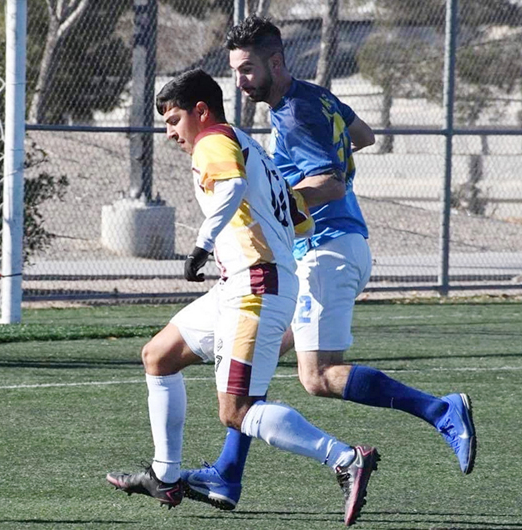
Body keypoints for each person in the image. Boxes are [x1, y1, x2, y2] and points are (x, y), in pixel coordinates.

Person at [180, 16, 476, 511]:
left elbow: (332, 183)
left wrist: (278, 203)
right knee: (260, 357)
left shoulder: (293, 115)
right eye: (234, 71)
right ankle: (227, 475)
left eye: (248, 69)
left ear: (276, 62)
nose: (240, 81)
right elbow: (362, 136)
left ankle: (441, 410)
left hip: (326, 249)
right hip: (331, 247)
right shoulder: (312, 97)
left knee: (318, 376)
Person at [105, 68, 379, 527]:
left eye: (173, 120)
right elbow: (296, 215)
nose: (171, 133)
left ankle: (345, 458)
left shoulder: (213, 140)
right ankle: (165, 476)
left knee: (236, 412)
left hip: (255, 286)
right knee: (159, 354)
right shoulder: (249, 146)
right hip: (243, 282)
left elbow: (231, 190)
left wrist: (202, 245)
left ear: (201, 111)